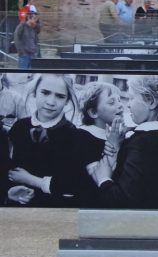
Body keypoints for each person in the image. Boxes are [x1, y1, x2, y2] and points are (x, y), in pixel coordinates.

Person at [88, 75, 158, 209]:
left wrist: (103, 179)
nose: (127, 104)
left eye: (132, 98)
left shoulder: (144, 143)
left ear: (151, 102)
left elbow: (121, 199)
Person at [5, 75, 92, 208]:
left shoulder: (76, 137)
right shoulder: (19, 127)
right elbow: (10, 169)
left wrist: (33, 181)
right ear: (34, 93)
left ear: (67, 100)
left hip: (55, 211)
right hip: (18, 209)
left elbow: (74, 184)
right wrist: (8, 192)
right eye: (45, 93)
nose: (51, 102)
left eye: (60, 96)